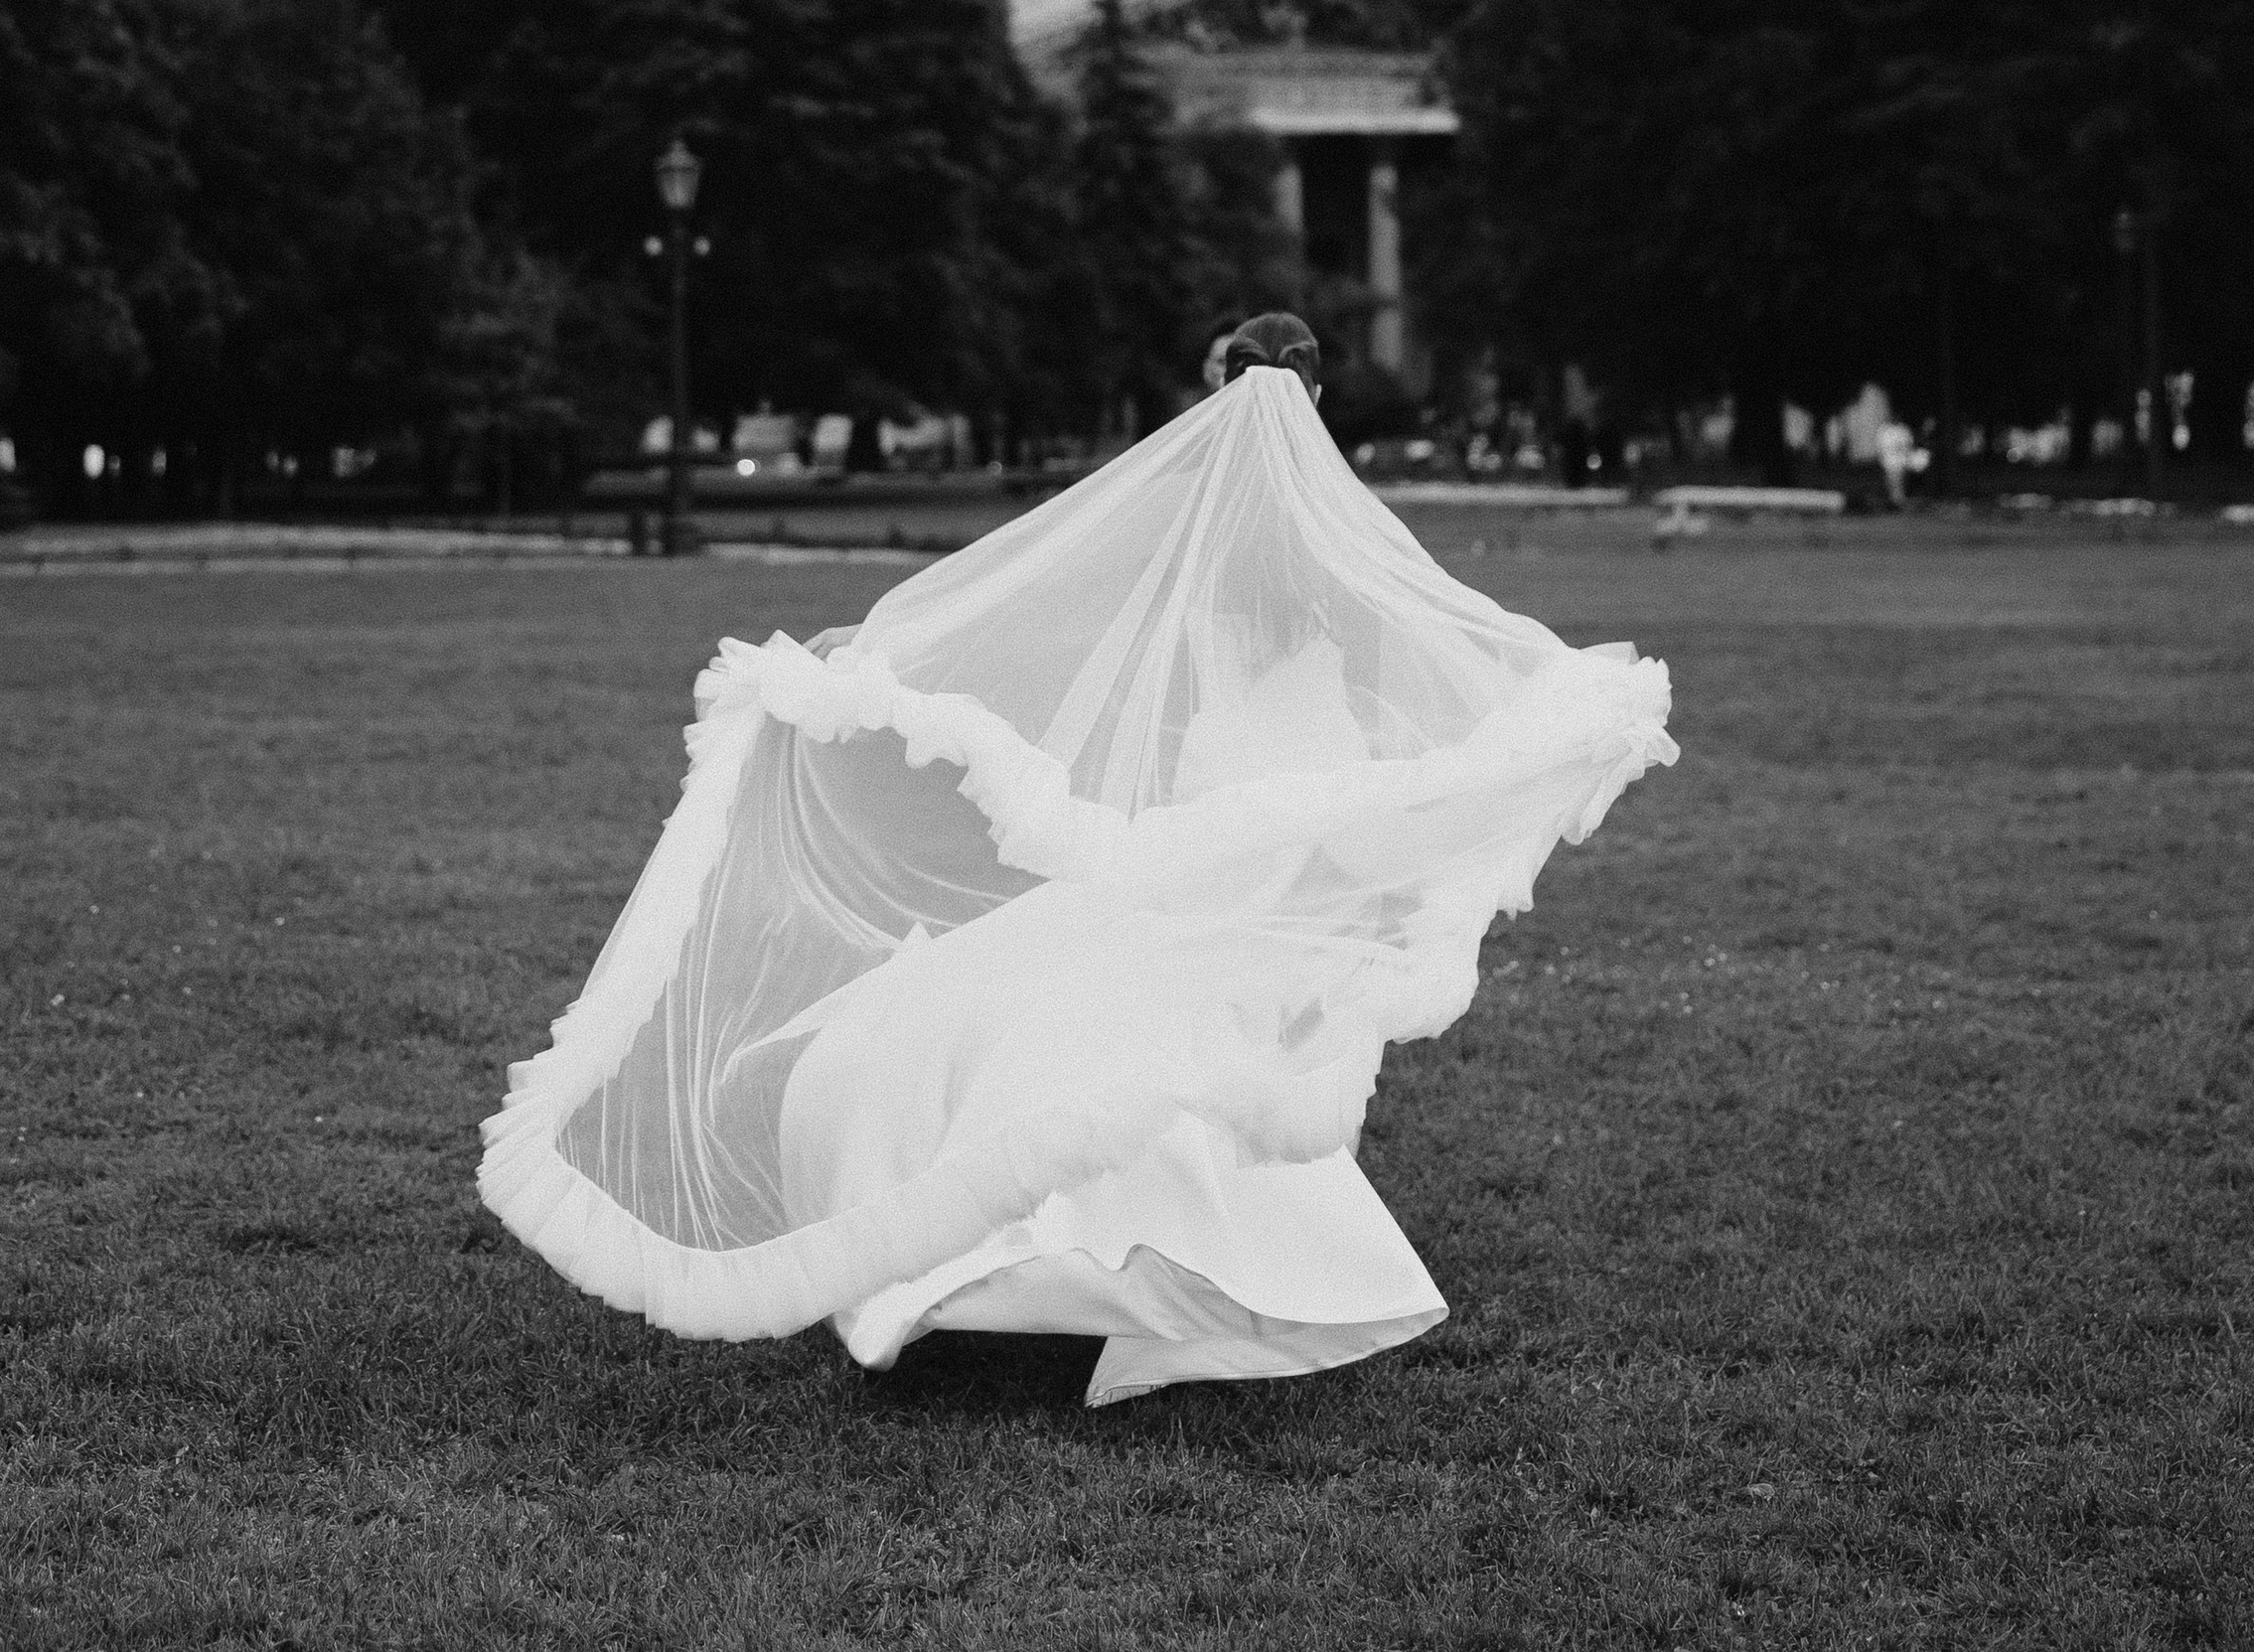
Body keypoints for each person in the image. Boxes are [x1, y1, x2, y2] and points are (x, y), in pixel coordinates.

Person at [482, 313, 1675, 1406]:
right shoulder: (1330, 550)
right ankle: (1064, 1271)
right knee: (1076, 1032)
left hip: (1218, 876)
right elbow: (1385, 694)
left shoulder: (1207, 541)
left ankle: (1018, 1270)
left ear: (1221, 394)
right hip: (1227, 876)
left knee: (1001, 1024)